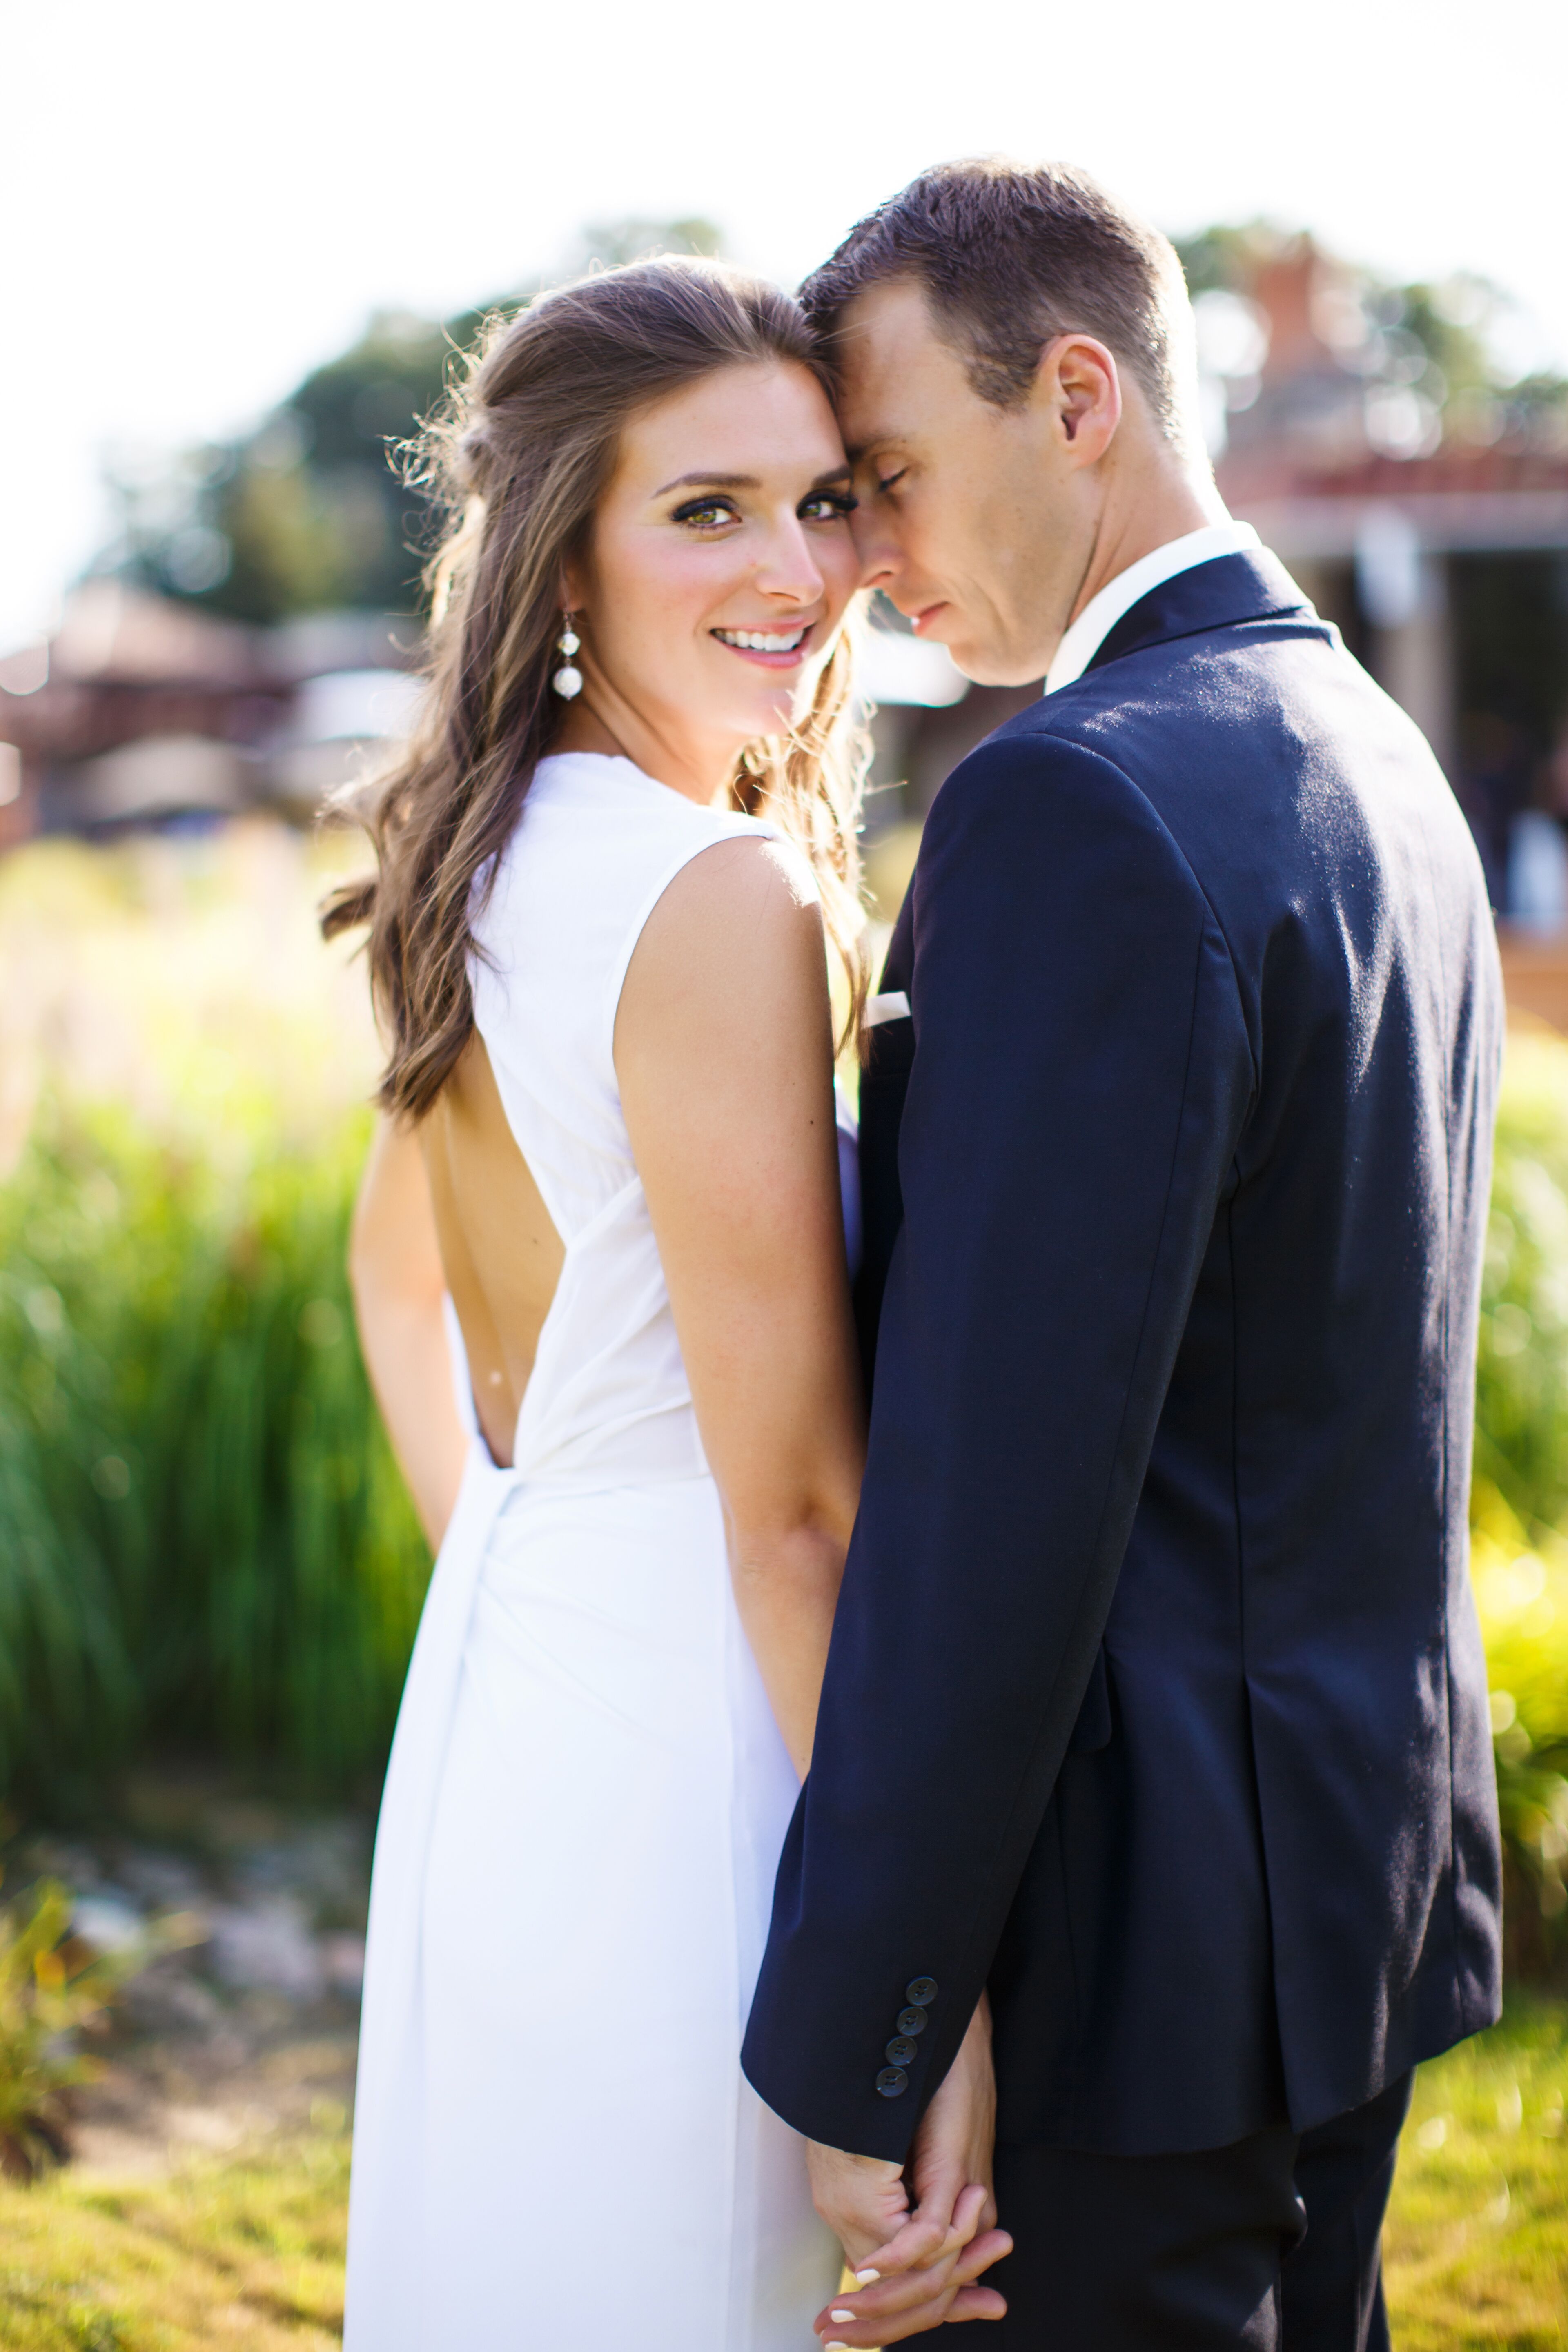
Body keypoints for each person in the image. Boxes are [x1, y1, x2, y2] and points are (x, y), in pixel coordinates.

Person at [743, 160, 1505, 2350]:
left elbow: (996, 1490)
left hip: (1129, 1966)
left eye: (885, 475)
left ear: (1077, 394)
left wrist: (869, 2026)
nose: (862, 558)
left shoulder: (1071, 798)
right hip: (1348, 1900)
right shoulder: (1374, 753)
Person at [331, 256, 892, 2349]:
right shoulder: (712, 891)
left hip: (514, 1705)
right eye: (711, 509)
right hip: (703, 1755)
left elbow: (394, 1282)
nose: (799, 568)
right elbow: (802, 1517)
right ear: (568, 542)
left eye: (828, 501)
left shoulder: (473, 860)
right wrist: (900, 2023)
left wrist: (513, 1550)